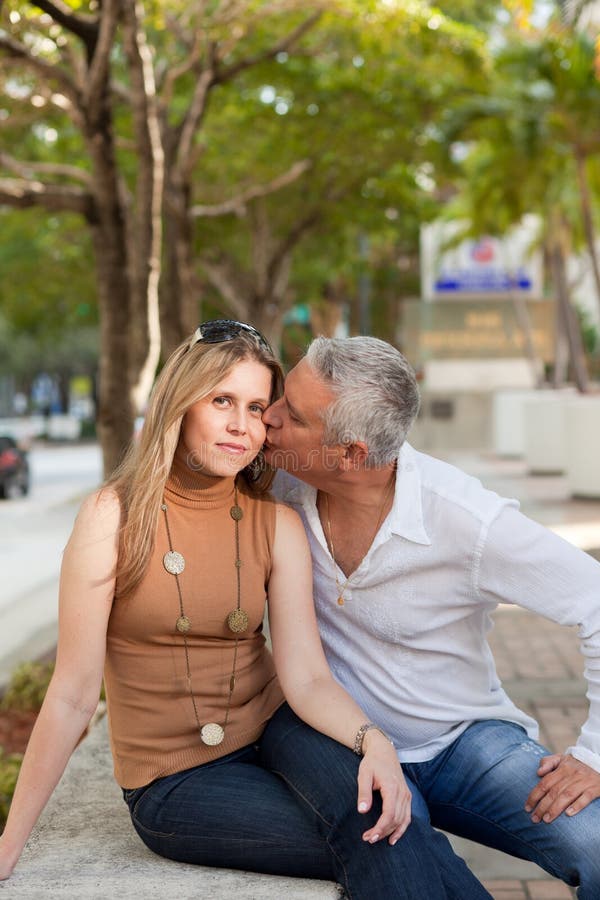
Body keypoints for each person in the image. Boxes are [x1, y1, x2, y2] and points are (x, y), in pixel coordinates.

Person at [0, 321, 490, 900]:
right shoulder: (112, 516)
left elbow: (305, 677)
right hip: (175, 783)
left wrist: (372, 740)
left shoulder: (275, 522)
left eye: (258, 407)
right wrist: (9, 848)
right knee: (385, 834)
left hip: (281, 728)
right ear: (180, 404)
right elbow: (73, 694)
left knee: (390, 810)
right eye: (222, 401)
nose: (241, 425)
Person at [261, 334, 600, 899]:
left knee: (595, 845)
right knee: (405, 855)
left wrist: (594, 755)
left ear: (352, 454)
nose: (267, 419)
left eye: (290, 414)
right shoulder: (277, 483)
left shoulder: (467, 520)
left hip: (464, 742)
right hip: (346, 746)